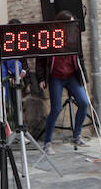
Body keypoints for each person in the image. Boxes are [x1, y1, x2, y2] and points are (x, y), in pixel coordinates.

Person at [37, 10, 90, 150]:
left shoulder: (74, 37)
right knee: (56, 108)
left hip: (72, 76)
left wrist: (84, 77)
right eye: (68, 23)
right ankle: (47, 142)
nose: (71, 25)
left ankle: (76, 136)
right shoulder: (50, 38)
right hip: (56, 77)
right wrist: (41, 78)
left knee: (84, 103)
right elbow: (40, 60)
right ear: (60, 24)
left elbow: (80, 58)